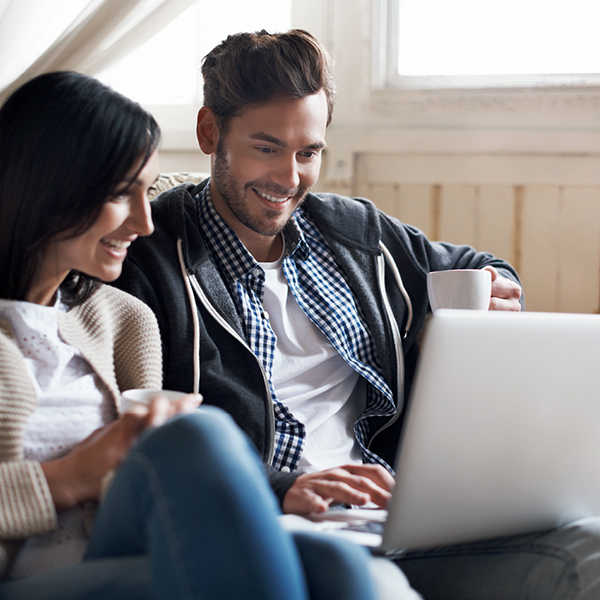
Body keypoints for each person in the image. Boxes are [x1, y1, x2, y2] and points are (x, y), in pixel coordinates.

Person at [115, 29, 600, 599]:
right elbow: (151, 441)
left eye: (309, 152)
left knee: (589, 548)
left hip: (396, 517)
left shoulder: (352, 233)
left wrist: (498, 287)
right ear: (208, 132)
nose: (289, 178)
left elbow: (474, 262)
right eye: (266, 147)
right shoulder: (151, 255)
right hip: (277, 528)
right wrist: (279, 487)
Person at [0, 70, 384, 600]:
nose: (144, 222)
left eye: (144, 193)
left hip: (112, 549)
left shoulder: (122, 321)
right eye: (119, 195)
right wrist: (66, 478)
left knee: (336, 565)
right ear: (45, 187)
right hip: (23, 578)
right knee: (198, 444)